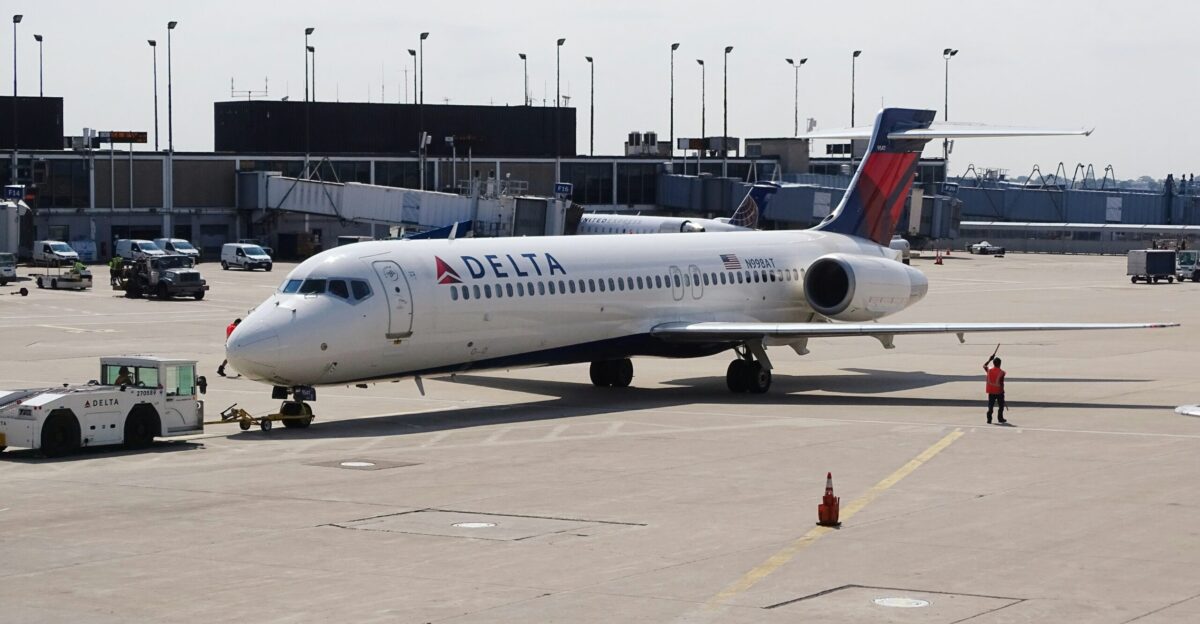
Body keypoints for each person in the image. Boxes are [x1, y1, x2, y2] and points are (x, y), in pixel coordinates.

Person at [983, 354, 1007, 425]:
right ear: (1000, 364)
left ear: (993, 363)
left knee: (990, 405)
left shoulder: (989, 370)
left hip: (990, 391)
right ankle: (1000, 418)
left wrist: (989, 359)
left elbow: (984, 366)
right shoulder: (1002, 372)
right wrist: (1002, 391)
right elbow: (1002, 383)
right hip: (999, 391)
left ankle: (989, 419)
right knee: (1001, 406)